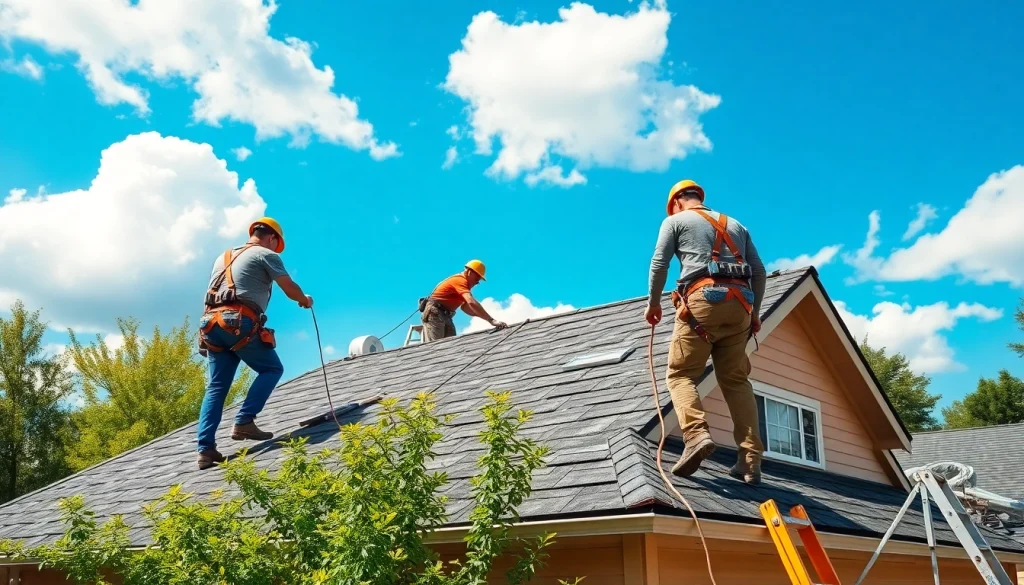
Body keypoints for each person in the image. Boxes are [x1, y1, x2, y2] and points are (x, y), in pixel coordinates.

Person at [645, 180, 768, 485]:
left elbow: (659, 264)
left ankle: (696, 435)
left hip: (703, 300)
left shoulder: (674, 220)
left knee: (680, 375)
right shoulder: (737, 225)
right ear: (699, 198)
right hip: (742, 304)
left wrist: (653, 304)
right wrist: (754, 315)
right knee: (737, 381)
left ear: (675, 202)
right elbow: (760, 271)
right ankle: (750, 461)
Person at [195, 217, 313, 470]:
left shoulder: (223, 257)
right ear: (272, 238)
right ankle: (244, 420)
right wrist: (303, 300)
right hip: (238, 321)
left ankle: (205, 450)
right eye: (275, 244)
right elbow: (288, 287)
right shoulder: (265, 254)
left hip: (210, 324)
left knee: (216, 387)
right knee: (272, 369)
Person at [420, 260, 507, 342]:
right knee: (436, 347)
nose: (476, 283)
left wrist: (482, 316)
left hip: (446, 315)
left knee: (449, 347)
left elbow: (466, 308)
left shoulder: (464, 287)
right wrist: (491, 320)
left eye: (478, 282)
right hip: (435, 313)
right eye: (476, 279)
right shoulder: (460, 280)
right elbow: (471, 302)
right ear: (469, 271)